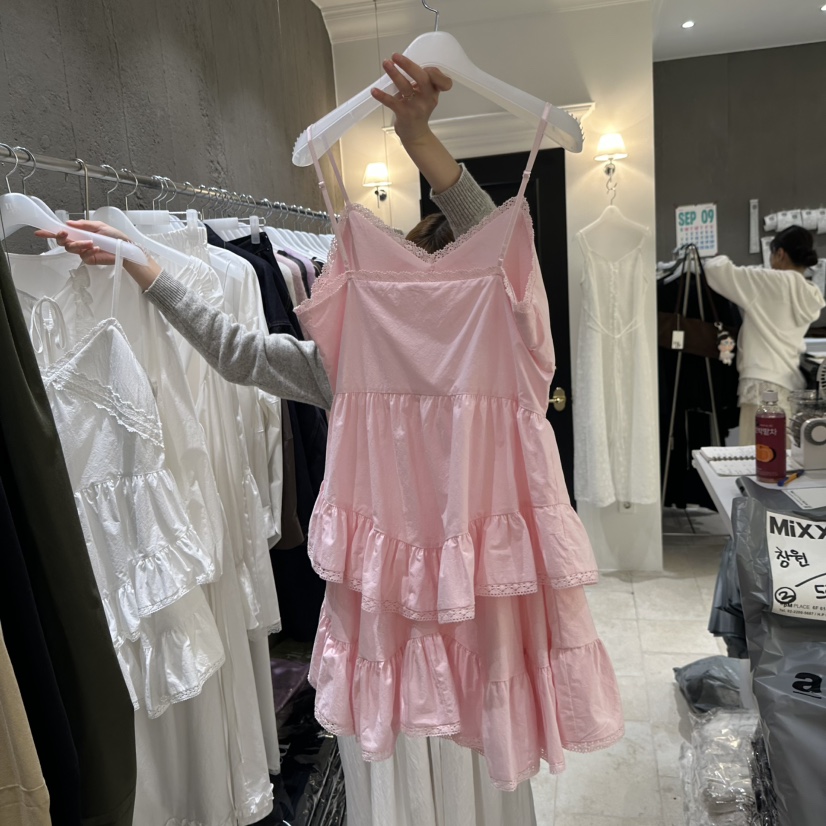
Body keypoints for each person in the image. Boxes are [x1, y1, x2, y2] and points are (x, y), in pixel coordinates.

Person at [38, 53, 494, 412]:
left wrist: (418, 137)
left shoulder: (497, 360)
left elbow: (496, 247)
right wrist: (139, 260)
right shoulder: (354, 367)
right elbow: (235, 351)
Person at [705, 225, 824, 444]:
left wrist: (718, 256)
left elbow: (716, 270)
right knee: (784, 455)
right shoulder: (811, 292)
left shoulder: (768, 281)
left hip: (761, 385)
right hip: (790, 384)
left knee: (757, 455)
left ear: (780, 253)